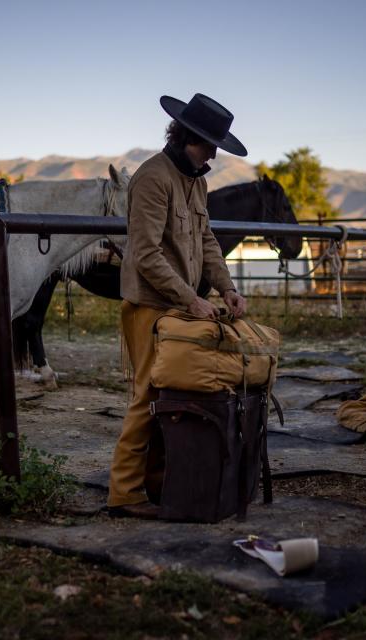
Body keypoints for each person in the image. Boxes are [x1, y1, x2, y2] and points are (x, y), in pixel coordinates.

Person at [108, 93, 249, 518]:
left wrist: (225, 288)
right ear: (189, 137)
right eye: (209, 146)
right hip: (152, 306)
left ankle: (156, 482)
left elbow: (205, 241)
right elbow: (146, 253)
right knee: (147, 395)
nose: (212, 155)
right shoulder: (154, 178)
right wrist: (191, 298)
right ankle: (124, 492)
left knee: (172, 395)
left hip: (181, 307)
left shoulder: (196, 181)